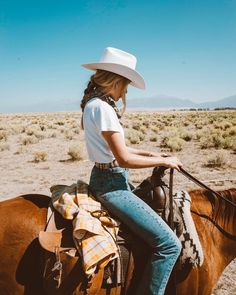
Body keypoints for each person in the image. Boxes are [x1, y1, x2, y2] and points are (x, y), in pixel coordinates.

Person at [80, 47, 182, 295]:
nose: (126, 91)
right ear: (116, 80)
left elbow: (120, 148)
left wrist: (154, 155)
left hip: (107, 178)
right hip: (112, 186)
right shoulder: (103, 108)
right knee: (169, 245)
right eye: (125, 84)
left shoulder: (95, 105)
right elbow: (123, 158)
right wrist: (166, 163)